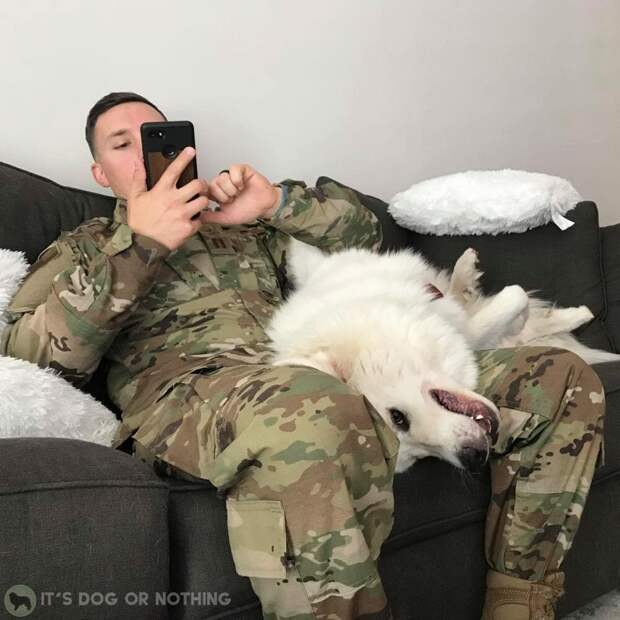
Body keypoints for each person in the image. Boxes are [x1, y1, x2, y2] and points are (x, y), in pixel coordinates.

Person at [0, 91, 605, 620]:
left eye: (157, 136)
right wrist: (142, 244)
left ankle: (521, 602)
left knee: (556, 377)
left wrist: (274, 207)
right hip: (194, 396)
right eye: (121, 144)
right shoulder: (84, 247)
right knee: (313, 409)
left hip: (311, 370)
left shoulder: (238, 228)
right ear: (99, 172)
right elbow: (35, 359)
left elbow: (368, 240)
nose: (143, 152)